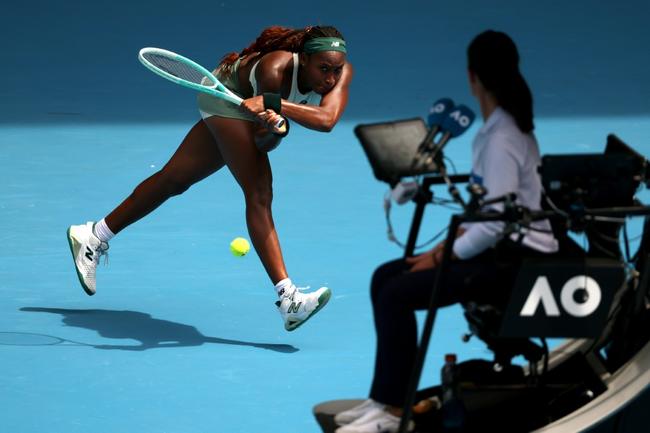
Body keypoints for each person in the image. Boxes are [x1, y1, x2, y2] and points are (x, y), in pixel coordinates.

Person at [334, 30, 559, 433]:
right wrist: (442, 249)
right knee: (386, 276)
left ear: (472, 77)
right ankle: (384, 400)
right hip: (501, 250)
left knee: (397, 294)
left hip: (517, 261)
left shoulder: (502, 137)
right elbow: (484, 213)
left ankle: (390, 416)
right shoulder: (499, 129)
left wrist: (441, 256)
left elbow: (496, 224)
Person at [66, 25, 353, 332]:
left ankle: (94, 235)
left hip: (253, 110)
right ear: (304, 60)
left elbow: (324, 121)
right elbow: (259, 142)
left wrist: (275, 123)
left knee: (173, 180)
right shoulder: (275, 68)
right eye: (324, 69)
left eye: (336, 70)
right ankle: (288, 300)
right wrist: (272, 114)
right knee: (259, 193)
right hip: (223, 98)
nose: (331, 79)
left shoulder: (339, 74)